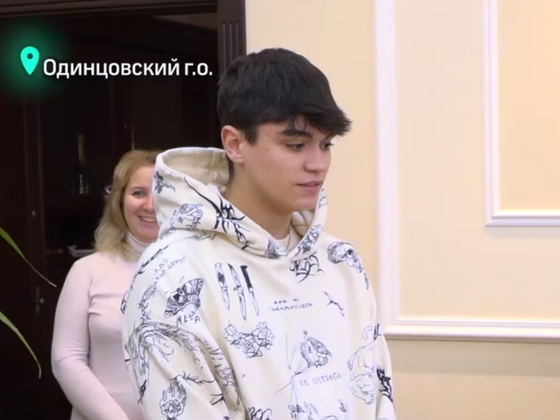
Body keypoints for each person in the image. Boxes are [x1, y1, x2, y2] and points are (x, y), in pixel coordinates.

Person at [121, 48, 398, 420]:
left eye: (326, 144)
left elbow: (377, 395)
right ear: (235, 144)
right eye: (296, 145)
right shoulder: (171, 274)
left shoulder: (341, 261)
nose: (318, 164)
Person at [51, 149, 161, 420]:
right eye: (138, 193)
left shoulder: (197, 271)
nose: (150, 205)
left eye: (161, 192)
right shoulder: (87, 271)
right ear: (119, 201)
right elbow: (66, 359)